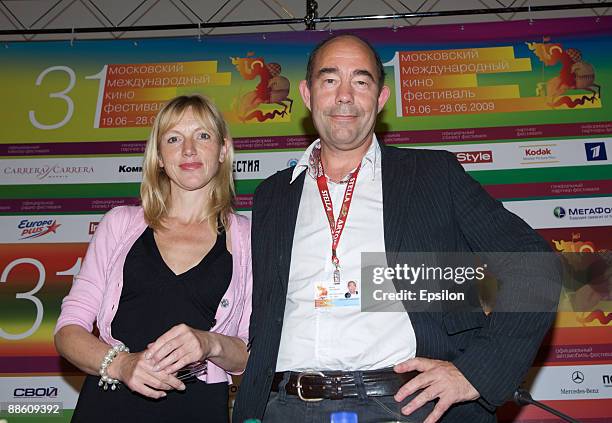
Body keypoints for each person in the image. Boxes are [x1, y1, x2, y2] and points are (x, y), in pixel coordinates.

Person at [233, 35, 556, 423]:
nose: (345, 96)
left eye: (362, 81)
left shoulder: (433, 175)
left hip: (404, 406)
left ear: (381, 98)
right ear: (307, 93)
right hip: (285, 407)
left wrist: (476, 373)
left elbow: (534, 266)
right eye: (330, 80)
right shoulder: (272, 196)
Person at [55, 94, 252, 422]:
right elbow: (68, 330)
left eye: (202, 135)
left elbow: (249, 354)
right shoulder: (120, 224)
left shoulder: (248, 238)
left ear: (223, 150)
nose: (188, 149)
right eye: (174, 138)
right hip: (108, 406)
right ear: (159, 156)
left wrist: (210, 343)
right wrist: (122, 364)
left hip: (198, 409)